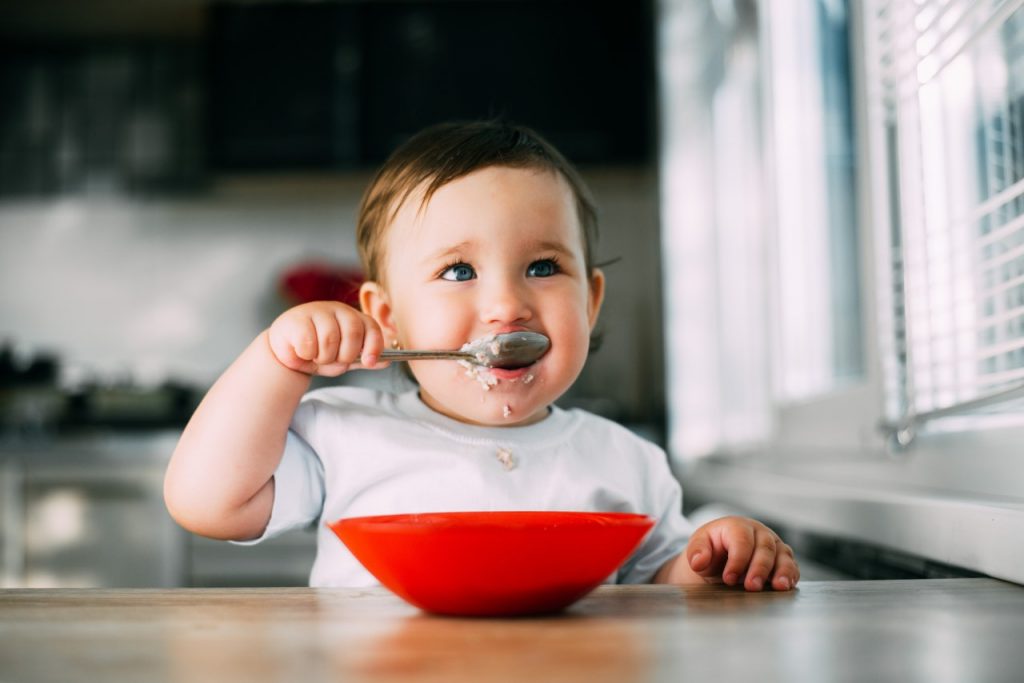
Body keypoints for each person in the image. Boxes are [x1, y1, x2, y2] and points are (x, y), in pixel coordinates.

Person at [164, 120, 800, 591]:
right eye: (459, 269)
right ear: (387, 317)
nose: (506, 305)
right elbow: (206, 502)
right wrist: (276, 360)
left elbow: (664, 584)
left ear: (591, 301)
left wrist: (715, 558)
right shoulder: (347, 435)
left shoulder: (626, 461)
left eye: (544, 266)